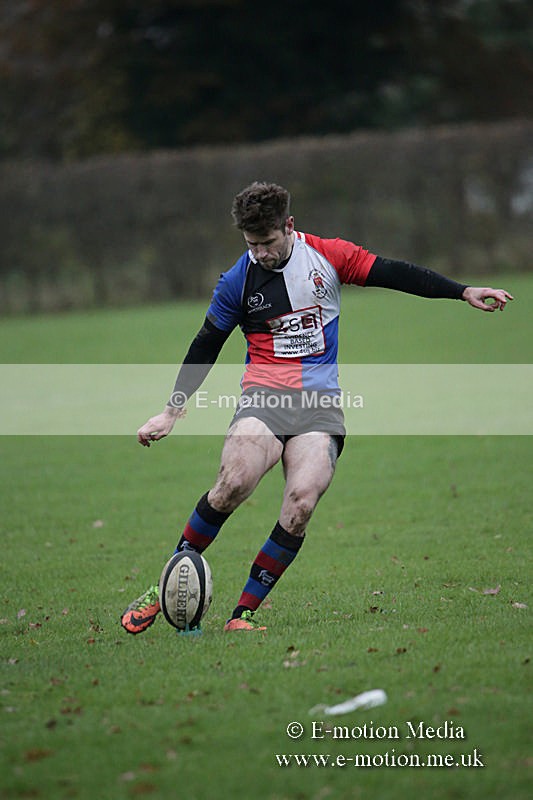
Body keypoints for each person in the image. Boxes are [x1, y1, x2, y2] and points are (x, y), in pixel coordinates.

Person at [121, 181, 513, 635]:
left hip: (320, 406)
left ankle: (242, 615)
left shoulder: (328, 256)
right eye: (251, 245)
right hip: (264, 398)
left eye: (267, 243)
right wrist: (172, 411)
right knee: (234, 482)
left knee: (302, 501)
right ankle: (166, 583)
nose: (261, 254)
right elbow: (206, 343)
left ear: (288, 226)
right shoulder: (237, 282)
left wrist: (461, 291)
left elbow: (394, 273)